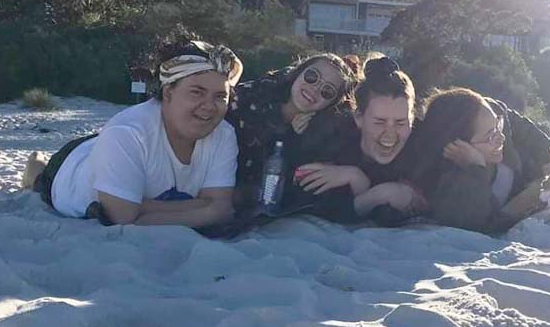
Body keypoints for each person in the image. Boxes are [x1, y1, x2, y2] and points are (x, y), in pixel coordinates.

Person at [28, 40, 243, 227]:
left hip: (111, 147)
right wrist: (206, 210)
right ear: (168, 91)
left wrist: (141, 207)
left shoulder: (223, 133)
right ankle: (36, 165)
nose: (209, 106)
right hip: (71, 168)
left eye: (219, 97)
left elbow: (221, 208)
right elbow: (122, 218)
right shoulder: (127, 134)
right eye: (197, 92)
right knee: (39, 180)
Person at [409, 87, 550, 234]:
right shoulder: (451, 181)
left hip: (538, 161)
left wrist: (543, 154)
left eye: (497, 127)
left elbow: (510, 118)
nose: (501, 138)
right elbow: (478, 220)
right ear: (457, 145)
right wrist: (476, 167)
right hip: (528, 175)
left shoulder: (486, 113)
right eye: (491, 135)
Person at [295, 56, 425, 225]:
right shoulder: (331, 140)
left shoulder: (420, 151)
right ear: (359, 118)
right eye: (379, 122)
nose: (390, 134)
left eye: (401, 122)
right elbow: (308, 207)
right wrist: (361, 182)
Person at [226, 53, 359, 214]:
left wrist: (292, 139)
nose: (315, 88)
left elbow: (289, 190)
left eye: (327, 91)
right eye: (312, 76)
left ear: (331, 104)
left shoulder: (322, 136)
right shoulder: (251, 97)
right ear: (298, 72)